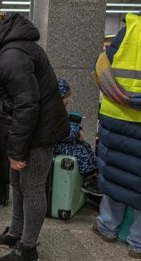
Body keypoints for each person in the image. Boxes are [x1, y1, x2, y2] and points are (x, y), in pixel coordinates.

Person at [0, 6, 69, 260]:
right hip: (27, 131)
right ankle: (17, 233)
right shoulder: (5, 51)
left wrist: (18, 151)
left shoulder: (12, 56)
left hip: (38, 134)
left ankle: (27, 248)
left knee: (31, 188)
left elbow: (27, 106)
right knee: (18, 185)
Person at [92, 12, 141, 259]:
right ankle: (138, 244)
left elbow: (101, 67)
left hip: (117, 115)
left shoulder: (129, 29)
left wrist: (120, 95)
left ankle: (106, 227)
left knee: (115, 175)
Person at [54, 78, 102, 197]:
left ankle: (94, 172)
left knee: (85, 145)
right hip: (56, 146)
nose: (70, 100)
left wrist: (77, 129)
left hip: (61, 142)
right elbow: (62, 134)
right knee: (79, 151)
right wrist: (76, 132)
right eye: (67, 97)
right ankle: (88, 179)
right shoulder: (53, 113)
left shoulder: (59, 111)